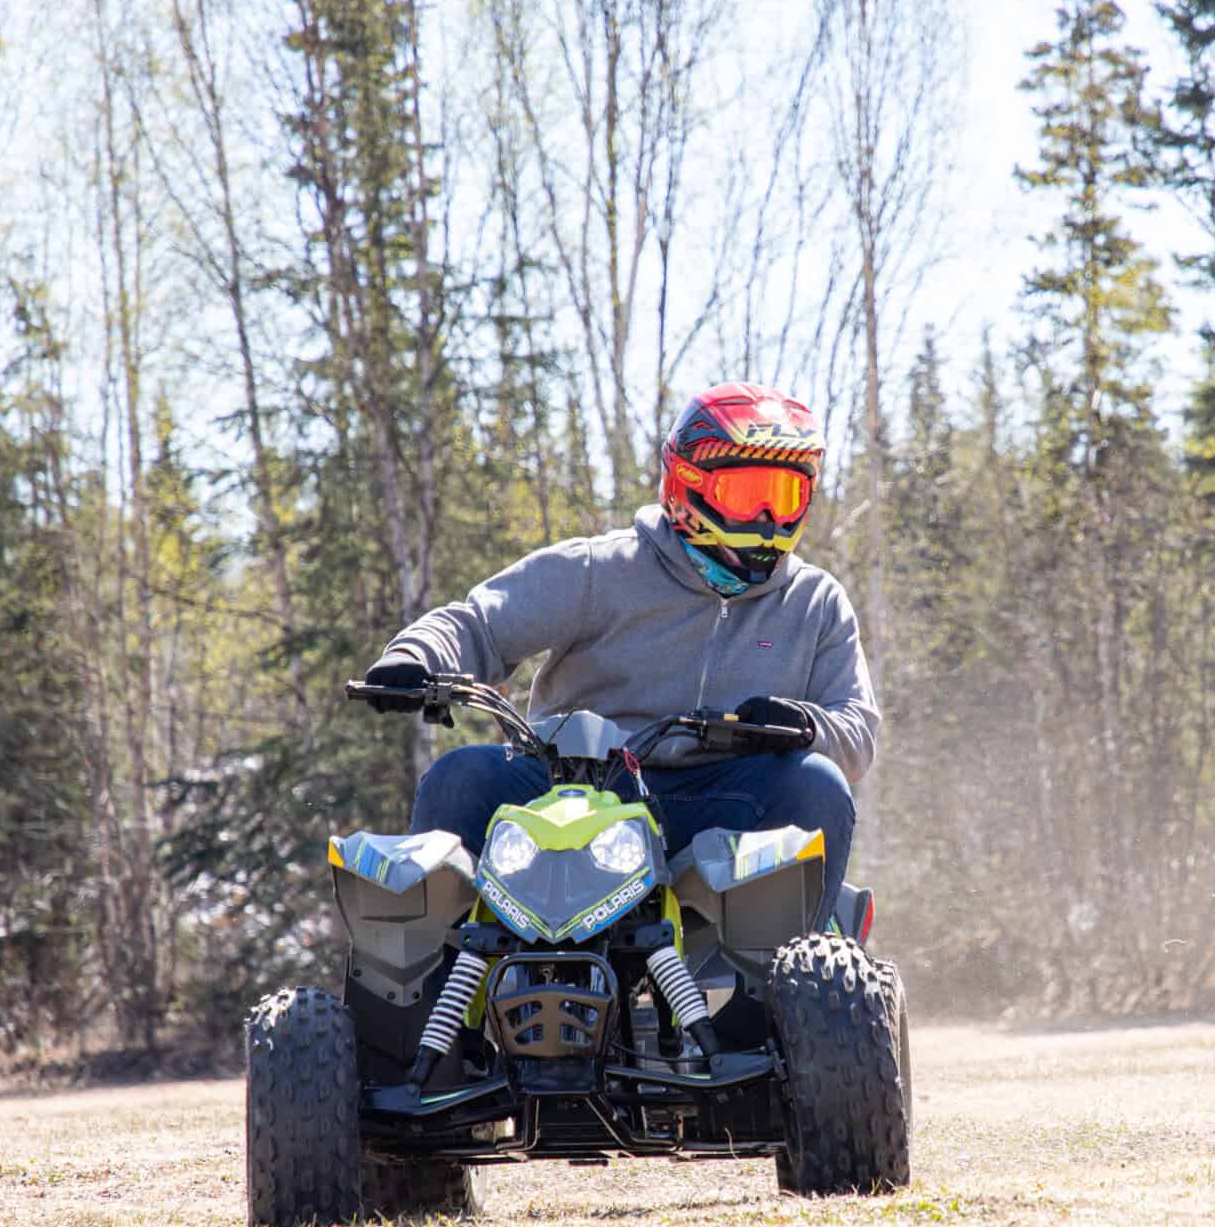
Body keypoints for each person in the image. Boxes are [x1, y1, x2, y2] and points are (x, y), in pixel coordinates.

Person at [362, 382, 878, 912]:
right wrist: (413, 658)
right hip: (569, 788)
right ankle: (433, 984)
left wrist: (807, 726)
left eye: (785, 495)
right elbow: (476, 625)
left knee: (818, 782)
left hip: (716, 797)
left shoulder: (816, 601)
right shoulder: (597, 569)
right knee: (460, 775)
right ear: (688, 484)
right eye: (747, 495)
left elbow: (857, 728)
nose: (769, 518)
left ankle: (800, 979)